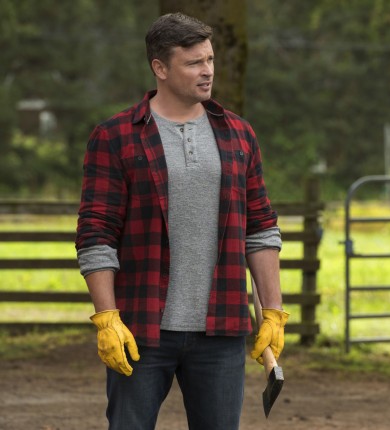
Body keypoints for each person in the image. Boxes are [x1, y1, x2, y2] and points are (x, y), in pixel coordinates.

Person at [75, 12, 289, 430]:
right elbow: (96, 233)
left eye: (210, 59)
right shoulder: (115, 136)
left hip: (222, 330)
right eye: (193, 63)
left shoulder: (239, 134)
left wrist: (273, 311)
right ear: (160, 68)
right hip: (139, 329)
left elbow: (261, 228)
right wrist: (107, 317)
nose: (207, 71)